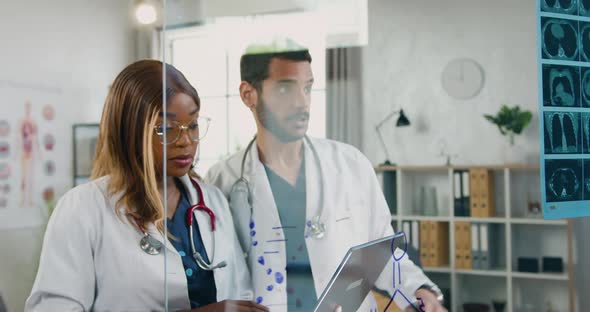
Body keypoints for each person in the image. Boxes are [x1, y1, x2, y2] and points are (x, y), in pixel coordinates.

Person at [205, 39, 447, 312]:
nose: (301, 102)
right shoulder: (220, 182)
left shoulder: (350, 164)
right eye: (285, 88)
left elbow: (381, 255)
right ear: (249, 94)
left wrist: (419, 289)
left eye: (307, 87)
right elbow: (220, 278)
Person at [26, 60, 268, 312]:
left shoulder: (211, 200)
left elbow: (241, 293)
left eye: (193, 125)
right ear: (129, 131)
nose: (186, 141)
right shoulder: (84, 208)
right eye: (165, 129)